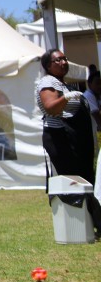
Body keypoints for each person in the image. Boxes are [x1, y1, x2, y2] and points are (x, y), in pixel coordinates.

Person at [36, 48, 101, 234]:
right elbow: (51, 108)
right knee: (75, 180)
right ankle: (82, 225)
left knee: (85, 179)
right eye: (58, 60)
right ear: (48, 65)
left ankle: (92, 222)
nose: (63, 62)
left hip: (76, 139)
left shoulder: (63, 83)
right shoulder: (48, 82)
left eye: (65, 59)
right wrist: (66, 98)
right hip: (61, 138)